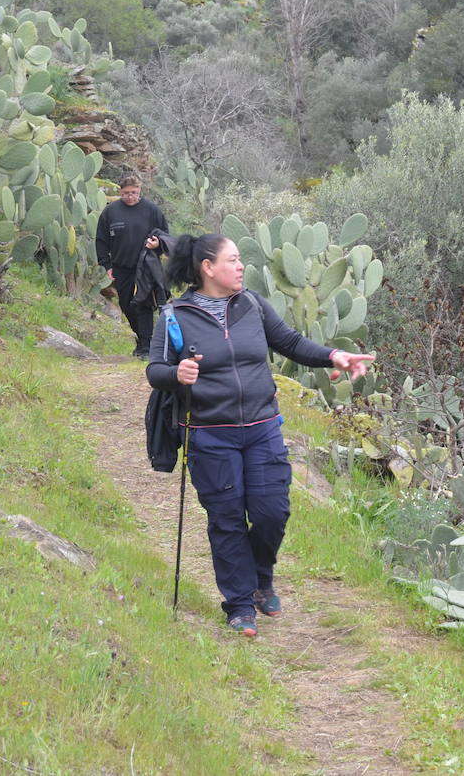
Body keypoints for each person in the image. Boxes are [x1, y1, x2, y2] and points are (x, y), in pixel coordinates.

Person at [147, 233, 373, 637]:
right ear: (207, 267)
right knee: (227, 519)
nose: (240, 267)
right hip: (210, 435)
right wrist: (176, 374)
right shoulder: (174, 315)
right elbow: (155, 370)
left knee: (273, 513)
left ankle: (260, 576)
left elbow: (289, 341)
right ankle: (239, 604)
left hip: (262, 429)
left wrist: (333, 355)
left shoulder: (251, 303)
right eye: (233, 260)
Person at [95, 173, 169, 358]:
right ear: (120, 191)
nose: (130, 196)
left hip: (146, 266)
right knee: (127, 305)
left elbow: (165, 235)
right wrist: (106, 264)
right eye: (126, 193)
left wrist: (157, 244)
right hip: (121, 268)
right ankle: (141, 340)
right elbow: (101, 240)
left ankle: (146, 347)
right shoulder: (110, 212)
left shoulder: (152, 210)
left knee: (143, 304)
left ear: (140, 191)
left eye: (134, 193)